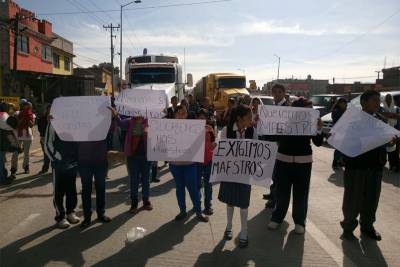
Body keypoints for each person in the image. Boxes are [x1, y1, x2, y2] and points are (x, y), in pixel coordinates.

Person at [340, 90, 398, 241]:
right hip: (356, 167)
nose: (377, 104)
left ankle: (367, 227)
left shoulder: (381, 120)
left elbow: (383, 141)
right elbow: (346, 142)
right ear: (364, 102)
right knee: (353, 199)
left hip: (375, 166)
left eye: (378, 101)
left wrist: (389, 142)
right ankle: (348, 227)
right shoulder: (353, 121)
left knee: (372, 200)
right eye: (374, 100)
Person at [267, 98, 324, 234]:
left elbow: (318, 142)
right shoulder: (284, 120)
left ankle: (299, 222)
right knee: (282, 192)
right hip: (283, 161)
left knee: (301, 194)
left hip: (303, 163)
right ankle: (277, 218)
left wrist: (319, 129)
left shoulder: (312, 122)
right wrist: (262, 124)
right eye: (309, 109)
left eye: (312, 109)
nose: (312, 111)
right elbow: (272, 137)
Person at [218, 104, 257, 248]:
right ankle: (228, 227)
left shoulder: (252, 131)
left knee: (244, 202)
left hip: (245, 173)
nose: (251, 120)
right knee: (230, 200)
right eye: (248, 117)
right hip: (229, 172)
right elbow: (220, 152)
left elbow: (258, 151)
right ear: (239, 118)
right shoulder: (226, 131)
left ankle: (244, 231)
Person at [109, 107, 153, 214]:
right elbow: (119, 123)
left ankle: (146, 201)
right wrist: (115, 114)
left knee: (146, 180)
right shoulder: (129, 122)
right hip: (133, 157)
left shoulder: (149, 121)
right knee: (134, 180)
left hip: (147, 157)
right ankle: (134, 203)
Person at [169, 105, 209, 223]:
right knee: (179, 188)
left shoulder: (192, 127)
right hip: (175, 164)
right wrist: (150, 131)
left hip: (190, 164)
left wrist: (205, 131)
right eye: (180, 113)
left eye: (184, 113)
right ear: (175, 114)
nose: (182, 115)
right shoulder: (167, 127)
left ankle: (198, 211)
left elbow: (199, 142)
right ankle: (182, 211)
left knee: (193, 189)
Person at [44, 122, 80, 229]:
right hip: (59, 164)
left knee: (71, 190)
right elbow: (47, 142)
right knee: (59, 191)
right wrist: (56, 157)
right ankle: (60, 216)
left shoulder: (75, 121)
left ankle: (70, 212)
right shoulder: (53, 121)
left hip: (72, 162)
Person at [261, 83, 289, 209]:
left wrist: (280, 141)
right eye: (274, 92)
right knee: (272, 172)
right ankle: (272, 193)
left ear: (284, 93)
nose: (276, 94)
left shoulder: (287, 108)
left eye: (279, 92)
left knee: (277, 173)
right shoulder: (272, 108)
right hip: (272, 144)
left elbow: (287, 129)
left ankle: (274, 199)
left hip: (282, 146)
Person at [78, 137, 112, 227]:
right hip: (84, 160)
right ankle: (87, 217)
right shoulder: (81, 125)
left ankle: (101, 214)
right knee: (86, 189)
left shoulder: (102, 123)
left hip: (100, 160)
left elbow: (112, 127)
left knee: (101, 188)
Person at [196, 109, 216, 215]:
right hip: (197, 162)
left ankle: (208, 206)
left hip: (208, 160)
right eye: (199, 117)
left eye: (203, 118)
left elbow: (213, 144)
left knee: (208, 185)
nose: (201, 119)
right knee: (197, 185)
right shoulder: (192, 129)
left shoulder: (210, 129)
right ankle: (197, 204)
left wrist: (212, 133)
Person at [11, 100, 36, 175]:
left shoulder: (31, 114)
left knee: (26, 153)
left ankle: (26, 167)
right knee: (15, 153)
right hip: (18, 136)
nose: (24, 106)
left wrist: (28, 117)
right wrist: (22, 118)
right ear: (21, 105)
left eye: (26, 105)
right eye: (23, 105)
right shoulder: (16, 113)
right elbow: (16, 123)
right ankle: (13, 169)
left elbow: (32, 125)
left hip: (28, 136)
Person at [382, 94, 400, 172]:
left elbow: (399, 117)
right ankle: (391, 165)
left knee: (396, 149)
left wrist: (388, 115)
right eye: (387, 98)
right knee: (388, 149)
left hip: (396, 130)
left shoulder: (397, 108)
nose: (388, 100)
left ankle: (395, 165)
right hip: (385, 132)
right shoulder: (382, 108)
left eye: (390, 98)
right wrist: (394, 115)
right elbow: (382, 115)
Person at [331, 98, 348, 169]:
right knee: (339, 148)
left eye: (345, 103)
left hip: (344, 131)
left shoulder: (344, 111)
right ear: (339, 103)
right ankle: (335, 162)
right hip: (338, 131)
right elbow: (339, 120)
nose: (345, 105)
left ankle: (341, 161)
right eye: (343, 103)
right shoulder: (336, 111)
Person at [37, 104, 51, 175]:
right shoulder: (42, 119)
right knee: (46, 154)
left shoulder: (56, 119)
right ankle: (45, 168)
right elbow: (40, 129)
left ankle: (54, 168)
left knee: (53, 154)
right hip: (44, 138)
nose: (50, 111)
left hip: (53, 139)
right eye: (49, 109)